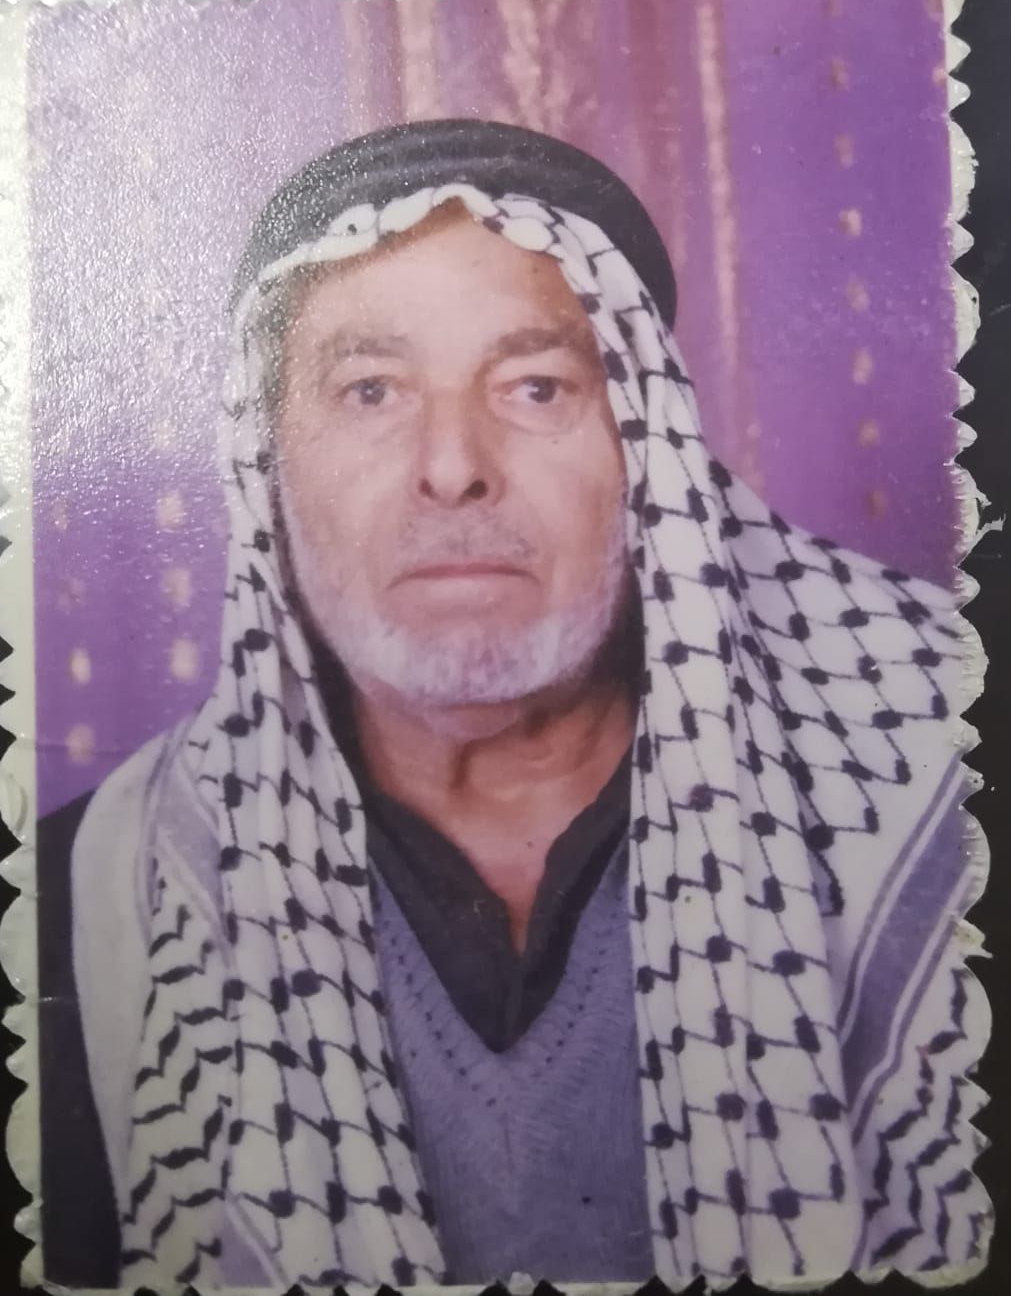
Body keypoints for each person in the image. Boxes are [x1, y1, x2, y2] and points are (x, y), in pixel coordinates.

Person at [38, 119, 989, 1290]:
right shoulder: (90, 897)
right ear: (272, 465)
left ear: (646, 452)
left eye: (535, 386)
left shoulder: (937, 803)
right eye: (370, 391)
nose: (452, 466)